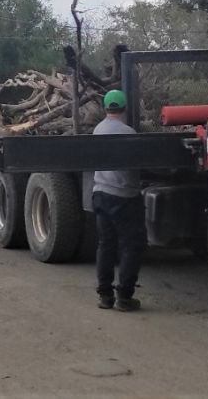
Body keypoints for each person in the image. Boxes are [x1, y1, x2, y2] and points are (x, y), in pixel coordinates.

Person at [92, 89, 145, 312]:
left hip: (101, 194)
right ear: (124, 108)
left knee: (106, 244)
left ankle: (105, 295)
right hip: (124, 197)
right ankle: (124, 296)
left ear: (106, 108)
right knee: (131, 246)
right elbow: (134, 169)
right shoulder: (128, 133)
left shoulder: (97, 130)